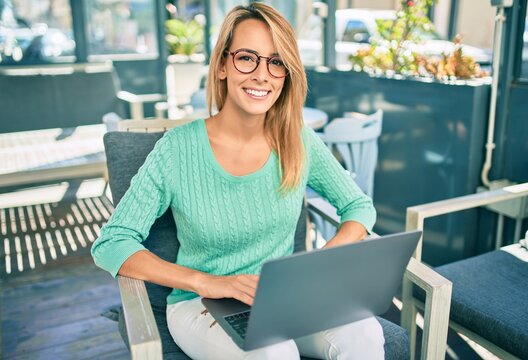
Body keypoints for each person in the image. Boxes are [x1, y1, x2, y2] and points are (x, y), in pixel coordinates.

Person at [92, 3, 384, 359]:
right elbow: (112, 243)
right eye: (248, 58)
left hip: (282, 298)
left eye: (276, 62)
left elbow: (358, 208)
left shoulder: (298, 141)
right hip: (201, 304)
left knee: (364, 333)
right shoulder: (177, 150)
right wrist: (206, 282)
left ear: (286, 74)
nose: (262, 74)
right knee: (272, 353)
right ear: (222, 66)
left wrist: (319, 266)